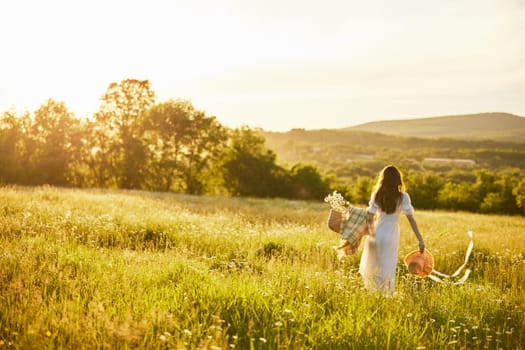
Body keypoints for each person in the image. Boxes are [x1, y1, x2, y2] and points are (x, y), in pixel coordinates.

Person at [359, 165, 425, 296]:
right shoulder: (403, 197)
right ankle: (387, 294)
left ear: (383, 179)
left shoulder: (377, 195)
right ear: (398, 180)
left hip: (375, 233)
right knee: (387, 265)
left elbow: (370, 218)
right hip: (391, 234)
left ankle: (373, 294)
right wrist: (420, 239)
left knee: (372, 265)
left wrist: (366, 234)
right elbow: (411, 220)